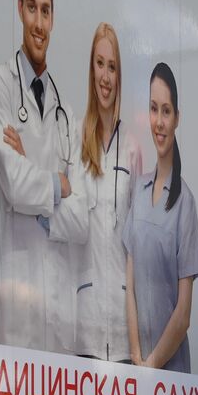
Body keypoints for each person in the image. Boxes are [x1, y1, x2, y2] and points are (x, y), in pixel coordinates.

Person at [0, 0, 88, 353]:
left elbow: (82, 221)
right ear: (19, 9)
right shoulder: (2, 84)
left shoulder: (68, 117)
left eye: (46, 11)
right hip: (22, 305)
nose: (39, 22)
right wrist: (60, 184)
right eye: (32, 8)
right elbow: (14, 184)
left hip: (60, 310)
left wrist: (38, 181)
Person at [123, 62, 198, 372]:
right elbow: (130, 288)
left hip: (170, 371)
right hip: (138, 364)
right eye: (153, 109)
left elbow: (183, 314)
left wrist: (153, 363)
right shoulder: (139, 192)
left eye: (166, 111)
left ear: (177, 118)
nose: (159, 121)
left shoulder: (185, 202)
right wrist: (136, 356)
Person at [72, 23, 141, 362]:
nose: (105, 76)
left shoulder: (132, 148)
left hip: (123, 323)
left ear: (119, 76)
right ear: (91, 69)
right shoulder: (74, 139)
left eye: (112, 67)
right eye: (100, 64)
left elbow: (139, 239)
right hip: (85, 321)